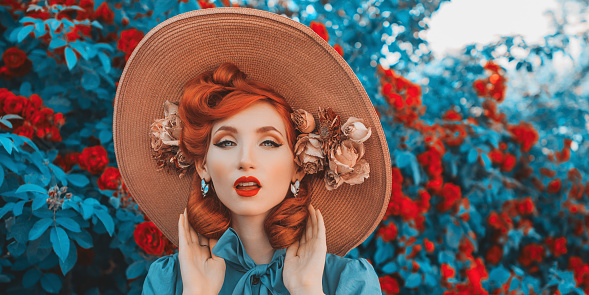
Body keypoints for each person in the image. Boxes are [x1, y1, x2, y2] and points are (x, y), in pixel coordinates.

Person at [113, 7, 392, 295]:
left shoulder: (347, 281)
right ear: (202, 165)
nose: (245, 160)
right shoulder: (170, 280)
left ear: (299, 165)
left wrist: (308, 290)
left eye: (269, 142)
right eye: (226, 143)